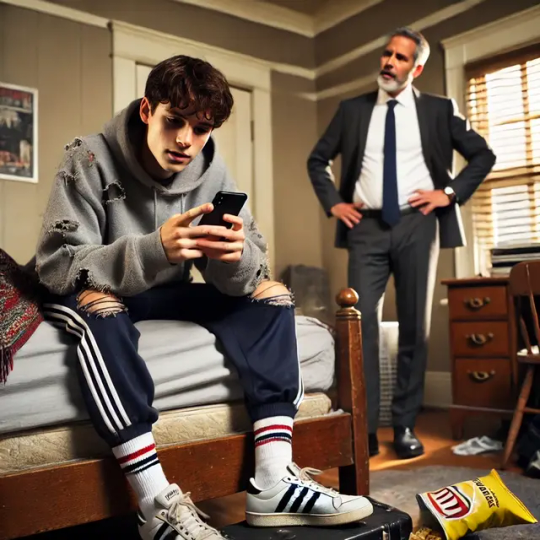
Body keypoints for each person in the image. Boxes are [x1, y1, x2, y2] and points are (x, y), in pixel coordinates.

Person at [36, 55, 373, 540]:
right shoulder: (87, 157)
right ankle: (155, 503)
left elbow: (249, 271)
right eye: (174, 121)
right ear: (148, 110)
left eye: (201, 129)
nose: (186, 141)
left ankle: (274, 479)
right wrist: (154, 249)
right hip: (104, 295)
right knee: (99, 304)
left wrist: (233, 258)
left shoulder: (212, 171)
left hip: (166, 293)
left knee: (272, 293)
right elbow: (56, 268)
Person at [307, 28, 495, 460]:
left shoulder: (438, 110)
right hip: (366, 228)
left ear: (417, 68)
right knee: (361, 329)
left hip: (418, 225)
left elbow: (482, 155)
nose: (389, 62)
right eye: (386, 53)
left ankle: (406, 425)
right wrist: (334, 203)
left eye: (401, 58)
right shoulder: (352, 110)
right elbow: (318, 160)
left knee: (414, 327)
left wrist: (448, 193)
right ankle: (365, 428)